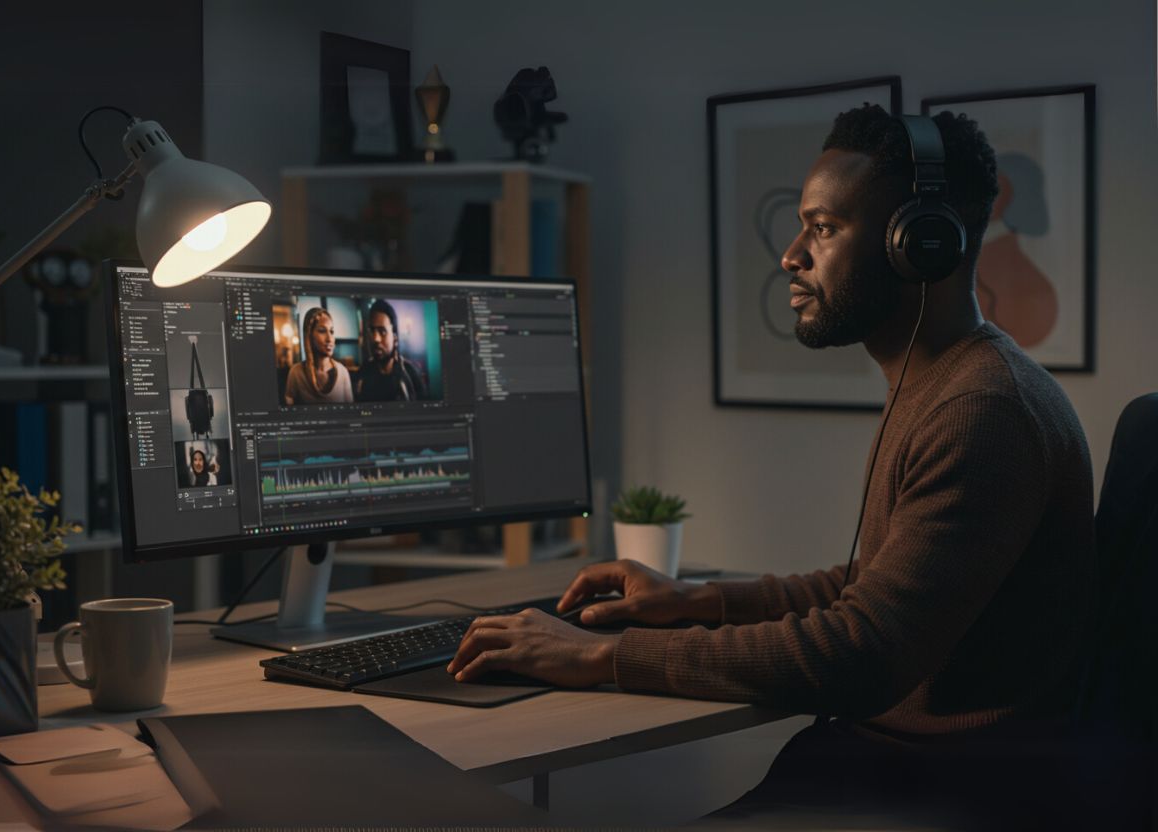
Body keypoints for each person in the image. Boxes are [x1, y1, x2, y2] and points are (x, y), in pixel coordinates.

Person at [448, 105, 1095, 827]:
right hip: (888, 771)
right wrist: (697, 600)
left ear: (920, 245)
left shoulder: (984, 412)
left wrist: (601, 657)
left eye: (822, 229)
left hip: (949, 791)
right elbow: (877, 588)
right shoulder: (946, 383)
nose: (791, 254)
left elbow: (864, 651)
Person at [354, 299, 427, 402]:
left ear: (395, 338)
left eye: (382, 331)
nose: (375, 339)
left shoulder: (410, 374)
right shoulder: (362, 374)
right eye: (372, 331)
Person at [284, 307, 354, 405]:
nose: (329, 339)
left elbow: (350, 414)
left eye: (332, 331)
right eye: (322, 331)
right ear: (309, 335)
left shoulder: (343, 373)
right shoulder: (295, 373)